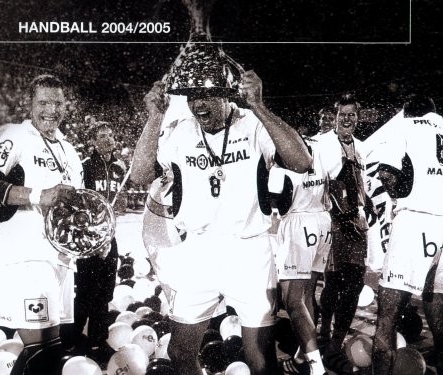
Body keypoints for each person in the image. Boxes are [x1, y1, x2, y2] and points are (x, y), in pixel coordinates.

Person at [130, 71, 312, 375]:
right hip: (199, 249)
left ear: (228, 93)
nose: (198, 104)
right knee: (180, 351)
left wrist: (259, 106)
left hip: (249, 250)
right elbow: (139, 175)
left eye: (207, 95)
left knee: (260, 358)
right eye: (192, 97)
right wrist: (154, 117)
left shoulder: (253, 123)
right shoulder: (180, 131)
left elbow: (302, 162)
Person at [0, 74, 83, 375]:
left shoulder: (69, 150)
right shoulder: (14, 135)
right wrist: (37, 195)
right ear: (29, 104)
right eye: (43, 102)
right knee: (44, 354)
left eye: (57, 103)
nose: (51, 110)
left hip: (59, 260)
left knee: (49, 349)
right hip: (25, 257)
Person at [371, 95, 443, 375]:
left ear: (406, 113)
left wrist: (397, 196)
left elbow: (386, 173)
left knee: (387, 319)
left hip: (414, 221)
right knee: (442, 321)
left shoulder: (404, 128)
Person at [270, 134, 335, 375]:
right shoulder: (321, 145)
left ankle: (316, 369)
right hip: (322, 221)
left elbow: (278, 201)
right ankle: (302, 358)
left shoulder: (282, 150)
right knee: (308, 296)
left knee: (293, 301)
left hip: (299, 222)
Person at [316, 95, 370, 374]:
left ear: (357, 118)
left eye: (352, 115)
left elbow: (363, 185)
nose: (347, 119)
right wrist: (343, 214)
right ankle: (324, 333)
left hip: (357, 223)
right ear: (335, 117)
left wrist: (367, 207)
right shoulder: (323, 144)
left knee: (355, 284)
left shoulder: (362, 147)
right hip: (334, 222)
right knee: (333, 283)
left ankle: (335, 345)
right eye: (342, 115)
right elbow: (329, 184)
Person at [71, 121, 122, 364]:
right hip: (89, 237)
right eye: (102, 136)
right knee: (85, 291)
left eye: (110, 135)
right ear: (93, 141)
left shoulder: (119, 167)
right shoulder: (84, 167)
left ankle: (98, 341)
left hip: (110, 235)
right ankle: (72, 339)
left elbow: (119, 202)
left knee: (105, 291)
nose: (108, 139)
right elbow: (78, 202)